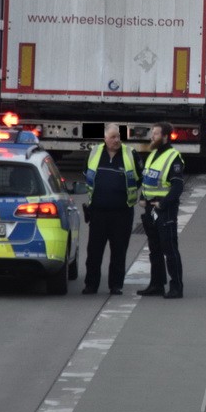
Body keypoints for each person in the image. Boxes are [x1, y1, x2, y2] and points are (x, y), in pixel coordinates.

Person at [83, 124, 142, 296]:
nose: (116, 140)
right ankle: (91, 285)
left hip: (121, 213)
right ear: (105, 139)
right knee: (94, 252)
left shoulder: (130, 154)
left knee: (119, 251)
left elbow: (140, 178)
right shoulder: (94, 153)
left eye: (118, 136)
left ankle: (116, 285)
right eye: (113, 137)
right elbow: (86, 175)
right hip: (98, 212)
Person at [137, 122, 187, 299]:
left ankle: (176, 287)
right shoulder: (152, 155)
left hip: (164, 210)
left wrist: (163, 204)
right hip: (151, 209)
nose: (152, 137)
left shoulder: (173, 157)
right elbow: (148, 180)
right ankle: (157, 284)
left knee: (170, 248)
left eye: (156, 134)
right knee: (154, 249)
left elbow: (177, 187)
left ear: (165, 137)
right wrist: (143, 197)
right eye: (152, 133)